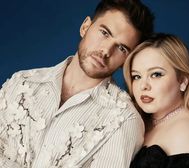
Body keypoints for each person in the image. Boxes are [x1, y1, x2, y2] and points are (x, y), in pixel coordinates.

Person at [0, 0, 154, 167]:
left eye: (122, 48)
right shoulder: (22, 82)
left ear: (127, 60)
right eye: (105, 33)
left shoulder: (124, 120)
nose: (106, 51)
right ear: (85, 27)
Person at [123, 33, 189, 168]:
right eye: (136, 76)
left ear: (183, 81)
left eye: (156, 74)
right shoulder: (140, 121)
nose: (143, 86)